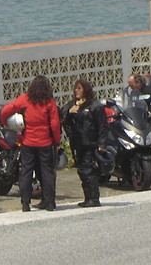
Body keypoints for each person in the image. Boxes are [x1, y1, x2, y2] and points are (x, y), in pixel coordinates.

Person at [0, 75, 61, 212]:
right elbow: (55, 124)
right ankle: (50, 202)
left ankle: (25, 203)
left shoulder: (25, 99)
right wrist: (56, 140)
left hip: (28, 142)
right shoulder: (49, 102)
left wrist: (5, 123)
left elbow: (5, 110)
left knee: (26, 172)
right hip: (45, 142)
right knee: (47, 173)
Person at [61, 79, 109, 208]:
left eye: (79, 88)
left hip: (91, 143)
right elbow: (61, 117)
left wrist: (102, 144)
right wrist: (69, 112)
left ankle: (93, 198)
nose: (76, 91)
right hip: (78, 143)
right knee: (82, 170)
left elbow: (103, 126)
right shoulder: (73, 105)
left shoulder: (95, 106)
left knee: (89, 170)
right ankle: (88, 197)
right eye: (75, 88)